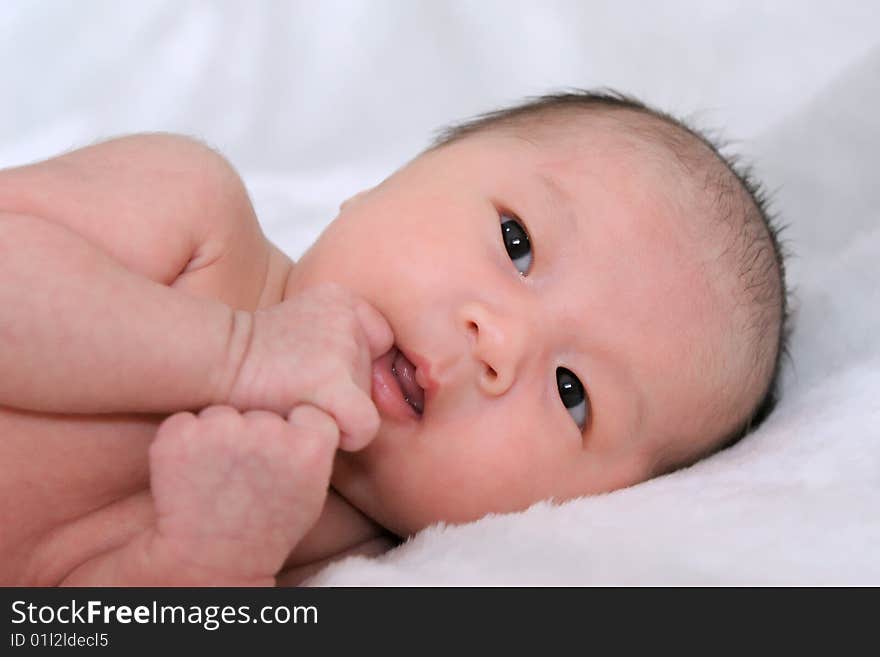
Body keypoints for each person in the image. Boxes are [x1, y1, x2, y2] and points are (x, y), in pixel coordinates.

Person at [0, 90, 790, 586]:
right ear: (385, 184)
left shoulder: (326, 556)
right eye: (517, 241)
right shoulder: (196, 219)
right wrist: (238, 349)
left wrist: (199, 566)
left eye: (572, 392)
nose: (499, 343)